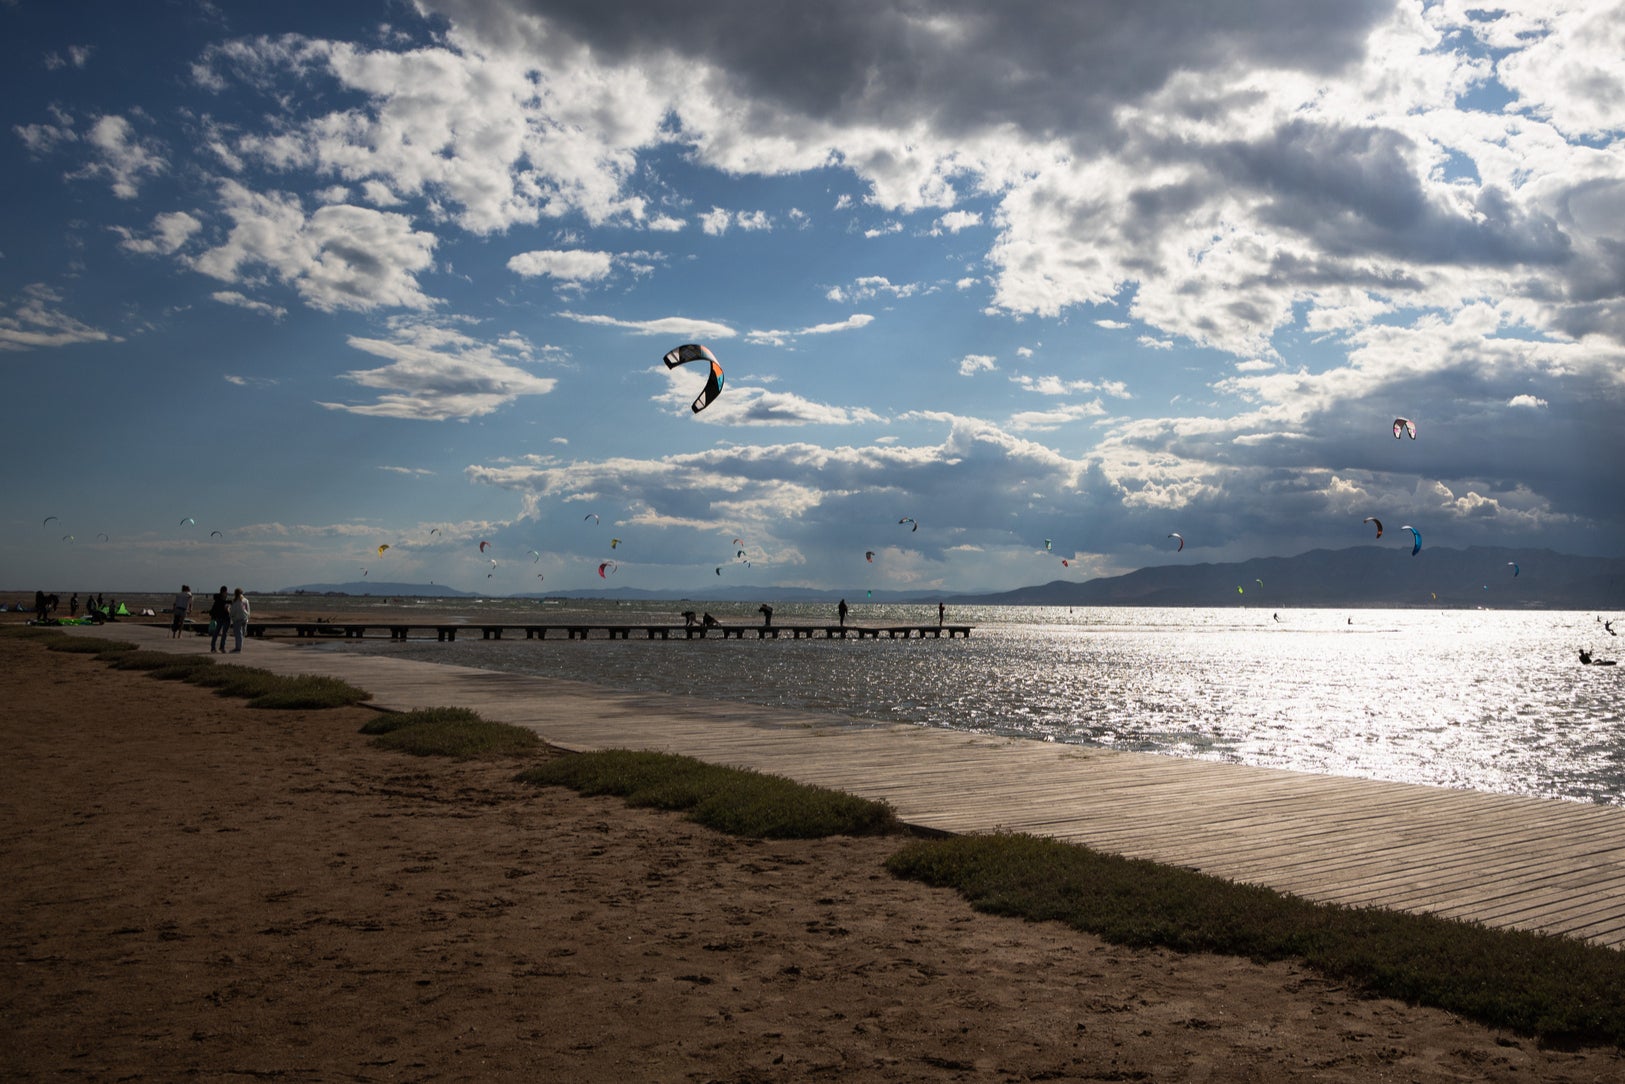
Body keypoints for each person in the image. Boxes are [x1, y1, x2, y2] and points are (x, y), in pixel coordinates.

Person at [208, 586, 231, 653]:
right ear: (224, 592)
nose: (226, 593)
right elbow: (224, 606)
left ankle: (214, 647)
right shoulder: (221, 600)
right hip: (224, 617)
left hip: (220, 617)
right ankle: (220, 647)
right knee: (222, 633)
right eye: (226, 592)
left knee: (218, 632)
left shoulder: (218, 599)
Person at [228, 587, 251, 652]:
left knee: (238, 635)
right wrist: (247, 617)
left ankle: (238, 648)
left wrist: (229, 613)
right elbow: (248, 611)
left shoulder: (235, 601)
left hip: (237, 619)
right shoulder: (245, 600)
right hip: (244, 619)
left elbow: (232, 612)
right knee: (242, 634)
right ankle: (239, 647)